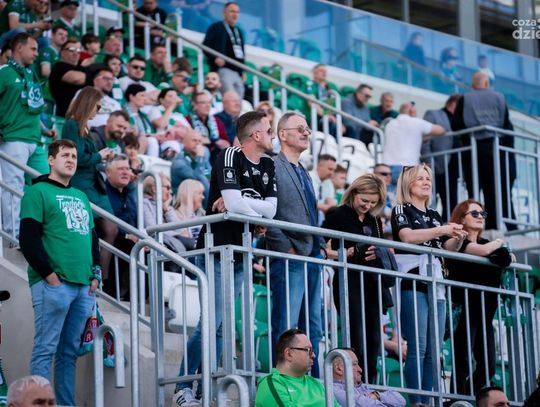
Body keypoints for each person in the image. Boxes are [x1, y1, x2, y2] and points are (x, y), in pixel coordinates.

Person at [171, 111, 277, 406]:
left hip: (242, 252)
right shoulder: (229, 155)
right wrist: (248, 208)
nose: (272, 136)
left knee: (221, 326)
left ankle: (204, 388)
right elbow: (234, 203)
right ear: (256, 135)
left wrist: (245, 206)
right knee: (210, 323)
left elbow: (271, 210)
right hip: (216, 249)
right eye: (269, 130)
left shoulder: (268, 163)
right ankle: (183, 386)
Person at [19, 139, 100, 406]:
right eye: (65, 155)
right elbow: (28, 239)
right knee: (45, 349)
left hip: (83, 286)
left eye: (74, 156)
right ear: (51, 160)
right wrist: (50, 276)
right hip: (54, 284)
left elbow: (93, 239)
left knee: (68, 354)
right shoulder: (37, 192)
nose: (71, 160)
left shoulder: (81, 196)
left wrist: (95, 275)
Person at [391, 163, 466, 406]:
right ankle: (417, 401)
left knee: (435, 350)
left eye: (428, 179)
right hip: (413, 278)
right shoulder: (401, 208)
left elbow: (445, 248)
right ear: (408, 183)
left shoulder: (434, 214)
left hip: (436, 280)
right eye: (420, 178)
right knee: (418, 347)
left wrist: (457, 239)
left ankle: (431, 400)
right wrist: (442, 230)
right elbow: (407, 236)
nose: (426, 182)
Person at [266, 112, 324, 377]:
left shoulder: (304, 172)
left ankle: (311, 383)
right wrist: (285, 247)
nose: (306, 133)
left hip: (311, 256)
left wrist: (319, 247)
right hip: (289, 255)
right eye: (300, 128)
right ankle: (280, 381)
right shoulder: (272, 166)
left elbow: (311, 213)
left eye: (307, 128)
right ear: (282, 134)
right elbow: (266, 214)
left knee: (313, 326)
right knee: (286, 325)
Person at [322, 174, 389, 383]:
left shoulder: (374, 219)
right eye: (364, 200)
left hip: (372, 283)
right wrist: (346, 254)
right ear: (354, 193)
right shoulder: (338, 214)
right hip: (348, 281)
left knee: (374, 341)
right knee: (356, 338)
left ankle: (368, 385)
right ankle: (354, 386)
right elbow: (321, 247)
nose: (368, 206)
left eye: (373, 202)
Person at [445, 200, 512, 396]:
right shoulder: (458, 242)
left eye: (483, 214)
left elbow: (507, 258)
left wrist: (500, 250)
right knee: (462, 363)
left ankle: (467, 397)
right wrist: (500, 242)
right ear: (461, 219)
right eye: (474, 214)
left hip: (485, 312)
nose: (480, 217)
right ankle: (457, 401)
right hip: (465, 309)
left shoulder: (486, 244)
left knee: (488, 368)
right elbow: (485, 252)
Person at [61, 86, 118, 280]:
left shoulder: (85, 126)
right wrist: (99, 156)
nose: (99, 110)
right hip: (82, 183)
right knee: (87, 230)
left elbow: (89, 158)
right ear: (88, 103)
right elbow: (75, 158)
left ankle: (102, 278)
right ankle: (90, 274)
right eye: (97, 106)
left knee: (111, 228)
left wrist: (103, 160)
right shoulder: (72, 124)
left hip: (95, 183)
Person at [0, 33, 51, 241]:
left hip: (35, 140)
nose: (37, 54)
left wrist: (44, 129)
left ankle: (40, 235)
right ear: (19, 48)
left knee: (46, 187)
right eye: (33, 49)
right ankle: (14, 236)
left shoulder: (30, 74)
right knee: (13, 187)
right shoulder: (4, 72)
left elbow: (30, 106)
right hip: (13, 138)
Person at [452, 71, 516, 231]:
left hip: (472, 149)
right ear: (487, 84)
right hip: (495, 148)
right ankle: (495, 224)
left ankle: (475, 224)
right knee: (496, 188)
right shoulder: (499, 97)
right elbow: (506, 125)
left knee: (474, 189)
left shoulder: (465, 98)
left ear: (473, 85)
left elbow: (456, 124)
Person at [255, 329, 334, 407]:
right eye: (308, 350)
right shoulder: (271, 384)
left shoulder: (316, 384)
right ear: (289, 354)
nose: (313, 355)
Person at [383, 102, 445, 187]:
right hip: (407, 168)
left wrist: (420, 137)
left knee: (391, 195)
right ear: (411, 111)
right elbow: (441, 130)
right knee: (412, 194)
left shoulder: (390, 124)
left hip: (387, 169)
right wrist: (424, 137)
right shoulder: (416, 122)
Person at [421, 94, 461, 222]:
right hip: (435, 165)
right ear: (452, 103)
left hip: (453, 168)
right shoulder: (433, 114)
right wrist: (428, 162)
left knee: (451, 202)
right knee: (431, 200)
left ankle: (447, 228)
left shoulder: (460, 119)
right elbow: (425, 140)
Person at [104, 155, 137, 298]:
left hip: (132, 237)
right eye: (120, 169)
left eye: (127, 169)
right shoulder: (102, 192)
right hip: (113, 239)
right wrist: (127, 235)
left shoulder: (130, 192)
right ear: (108, 172)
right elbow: (104, 223)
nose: (125, 172)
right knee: (128, 245)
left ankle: (139, 296)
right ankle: (114, 293)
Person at [332, 348, 406, 407]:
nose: (360, 369)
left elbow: (401, 400)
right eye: (354, 364)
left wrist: (377, 395)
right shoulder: (334, 390)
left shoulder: (362, 387)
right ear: (338, 368)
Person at [202, 1, 245, 98]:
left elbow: (242, 52)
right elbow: (205, 46)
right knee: (230, 98)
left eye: (237, 12)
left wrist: (242, 70)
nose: (235, 14)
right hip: (223, 69)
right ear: (224, 13)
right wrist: (215, 58)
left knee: (238, 100)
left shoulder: (239, 31)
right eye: (232, 11)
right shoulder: (216, 27)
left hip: (237, 73)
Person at [142, 173, 188, 254]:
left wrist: (167, 209)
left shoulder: (166, 207)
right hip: (158, 245)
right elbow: (152, 230)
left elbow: (180, 229)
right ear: (154, 188)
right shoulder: (145, 203)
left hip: (169, 242)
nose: (171, 192)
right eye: (167, 188)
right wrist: (177, 234)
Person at [187, 91, 230, 164]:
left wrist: (223, 143)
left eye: (209, 102)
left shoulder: (216, 121)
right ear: (195, 105)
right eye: (203, 102)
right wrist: (214, 142)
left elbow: (225, 140)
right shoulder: (188, 120)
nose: (207, 105)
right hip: (197, 156)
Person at [49, 39, 88, 117]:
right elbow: (76, 79)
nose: (75, 53)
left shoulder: (82, 68)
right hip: (66, 114)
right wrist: (92, 75)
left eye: (78, 50)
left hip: (84, 112)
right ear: (62, 52)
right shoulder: (59, 67)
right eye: (72, 50)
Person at [170, 129, 211, 197]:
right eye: (194, 140)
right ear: (184, 143)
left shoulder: (203, 155)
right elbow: (198, 177)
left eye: (200, 141)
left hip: (199, 196)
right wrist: (200, 157)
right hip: (184, 198)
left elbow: (210, 175)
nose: (197, 143)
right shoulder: (178, 162)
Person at [124, 83, 157, 156]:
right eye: (142, 95)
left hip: (142, 142)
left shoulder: (143, 115)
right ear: (132, 96)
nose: (145, 99)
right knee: (150, 141)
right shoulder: (123, 112)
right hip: (128, 144)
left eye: (145, 96)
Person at [173, 179, 206, 243]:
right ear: (189, 194)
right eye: (200, 193)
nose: (203, 197)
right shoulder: (172, 215)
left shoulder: (202, 214)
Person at [309, 154, 338, 219]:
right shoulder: (308, 177)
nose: (332, 173)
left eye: (334, 170)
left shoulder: (329, 183)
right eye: (330, 169)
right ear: (320, 165)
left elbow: (331, 203)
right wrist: (327, 208)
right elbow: (308, 201)